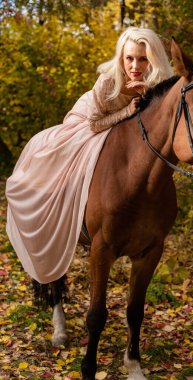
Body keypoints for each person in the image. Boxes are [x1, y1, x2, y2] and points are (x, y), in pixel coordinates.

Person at [5, 27, 174, 284]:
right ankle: (54, 199)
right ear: (121, 58)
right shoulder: (108, 80)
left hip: (125, 126)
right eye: (130, 58)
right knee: (64, 152)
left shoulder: (157, 82)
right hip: (92, 119)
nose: (135, 65)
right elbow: (95, 124)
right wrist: (127, 110)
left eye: (142, 58)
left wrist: (147, 93)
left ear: (152, 59)